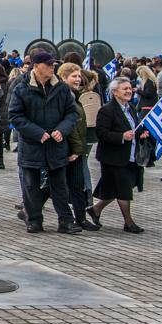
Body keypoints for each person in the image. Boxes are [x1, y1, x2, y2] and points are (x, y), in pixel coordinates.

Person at [9, 52, 81, 234]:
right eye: (48, 64)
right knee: (31, 185)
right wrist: (37, 133)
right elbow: (15, 116)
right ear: (36, 65)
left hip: (56, 145)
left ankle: (65, 221)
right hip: (32, 145)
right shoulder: (22, 88)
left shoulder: (61, 88)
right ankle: (33, 220)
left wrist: (62, 130)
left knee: (59, 185)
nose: (52, 67)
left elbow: (72, 113)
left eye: (53, 64)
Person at [86, 77, 151, 233]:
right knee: (124, 189)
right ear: (115, 92)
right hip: (113, 157)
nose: (128, 91)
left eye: (129, 88)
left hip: (130, 156)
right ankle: (128, 222)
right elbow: (101, 134)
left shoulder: (132, 108)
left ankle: (95, 210)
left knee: (113, 189)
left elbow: (134, 128)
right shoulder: (107, 110)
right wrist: (121, 136)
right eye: (124, 89)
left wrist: (141, 134)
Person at [56, 63, 94, 230]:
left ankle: (81, 218)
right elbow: (69, 126)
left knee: (77, 185)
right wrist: (76, 149)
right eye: (74, 76)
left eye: (79, 76)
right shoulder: (63, 96)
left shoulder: (74, 95)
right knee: (58, 186)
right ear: (64, 77)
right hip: (67, 148)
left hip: (77, 148)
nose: (78, 79)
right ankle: (30, 209)